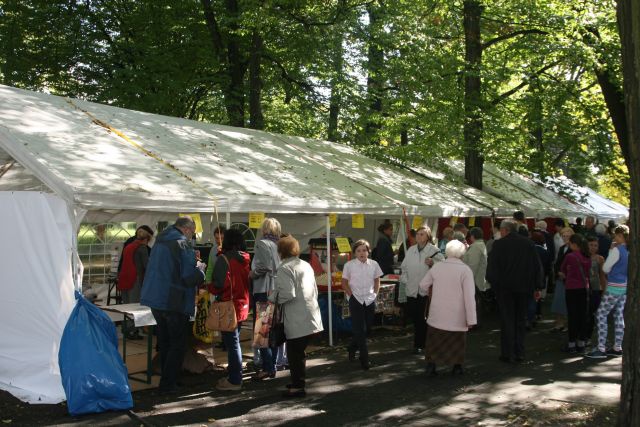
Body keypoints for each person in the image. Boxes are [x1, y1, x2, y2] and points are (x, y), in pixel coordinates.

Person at [140, 217, 205, 394]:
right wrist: (200, 271)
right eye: (192, 232)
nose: (192, 236)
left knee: (165, 342)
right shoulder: (182, 244)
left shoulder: (160, 241)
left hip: (156, 299)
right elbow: (188, 276)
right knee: (177, 343)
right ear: (186, 230)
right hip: (173, 300)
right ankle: (169, 384)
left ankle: (168, 379)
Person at [270, 235, 323, 398]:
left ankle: (298, 386)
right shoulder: (305, 264)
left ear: (280, 251)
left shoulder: (284, 268)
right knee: (298, 352)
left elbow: (288, 294)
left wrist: (272, 297)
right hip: (311, 314)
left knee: (294, 353)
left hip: (296, 317)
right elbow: (314, 289)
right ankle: (297, 382)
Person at [419, 240, 476, 376]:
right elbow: (469, 297)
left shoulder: (437, 267)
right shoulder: (465, 270)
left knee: (434, 341)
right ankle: (457, 367)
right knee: (457, 341)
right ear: (462, 253)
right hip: (457, 316)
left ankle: (431, 366)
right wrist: (472, 319)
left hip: (437, 313)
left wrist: (431, 291)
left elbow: (422, 285)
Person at [486, 219, 540, 363]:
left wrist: (496, 286)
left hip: (505, 289)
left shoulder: (499, 245)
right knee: (520, 320)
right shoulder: (528, 243)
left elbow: (491, 270)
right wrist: (537, 286)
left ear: (505, 230)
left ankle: (508, 352)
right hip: (524, 289)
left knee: (507, 320)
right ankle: (519, 352)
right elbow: (536, 266)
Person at [210, 228, 251, 391]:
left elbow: (218, 285)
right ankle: (234, 374)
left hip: (229, 305)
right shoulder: (245, 258)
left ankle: (235, 379)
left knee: (232, 343)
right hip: (242, 304)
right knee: (235, 341)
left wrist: (208, 286)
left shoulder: (224, 259)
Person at [586, 225, 629, 359]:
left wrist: (611, 251)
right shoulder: (629, 250)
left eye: (615, 235)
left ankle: (601, 348)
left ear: (620, 236)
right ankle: (617, 347)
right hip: (624, 286)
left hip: (613, 285)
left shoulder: (617, 250)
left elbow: (605, 268)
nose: (614, 237)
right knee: (618, 315)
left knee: (601, 314)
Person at [400, 226, 444, 354]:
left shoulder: (434, 251)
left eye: (422, 234)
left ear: (428, 237)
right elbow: (404, 268)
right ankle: (421, 342)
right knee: (415, 318)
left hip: (426, 291)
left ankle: (420, 344)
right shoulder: (411, 250)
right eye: (418, 234)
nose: (419, 236)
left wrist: (433, 264)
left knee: (423, 318)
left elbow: (443, 268)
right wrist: (405, 280)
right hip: (411, 290)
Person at [342, 239, 383, 370]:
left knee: (368, 329)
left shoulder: (374, 264)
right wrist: (352, 296)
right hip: (356, 299)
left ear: (368, 252)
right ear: (354, 253)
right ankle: (364, 359)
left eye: (364, 250)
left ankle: (351, 347)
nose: (362, 253)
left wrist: (375, 294)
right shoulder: (349, 265)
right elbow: (344, 283)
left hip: (369, 299)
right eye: (358, 251)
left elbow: (377, 281)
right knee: (360, 330)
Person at [251, 218, 281, 380]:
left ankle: (268, 367)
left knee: (262, 331)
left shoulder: (262, 244)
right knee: (273, 331)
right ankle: (272, 365)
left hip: (264, 289)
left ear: (264, 229)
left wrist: (252, 273)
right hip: (277, 290)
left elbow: (263, 267)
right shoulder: (280, 245)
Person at [118, 226, 153, 339]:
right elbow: (147, 266)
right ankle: (133, 331)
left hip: (124, 277)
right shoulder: (142, 248)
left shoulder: (129, 246)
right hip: (135, 279)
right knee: (135, 306)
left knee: (127, 305)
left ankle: (126, 329)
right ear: (147, 238)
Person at [560, 234, 591, 353]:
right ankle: (581, 343)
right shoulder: (587, 257)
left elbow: (562, 271)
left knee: (572, 316)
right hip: (584, 288)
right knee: (582, 315)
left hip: (571, 288)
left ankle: (571, 343)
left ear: (574, 244)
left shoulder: (570, 256)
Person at [462, 227, 488, 324]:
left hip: (474, 281)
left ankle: (474, 323)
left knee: (474, 303)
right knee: (477, 303)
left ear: (472, 236)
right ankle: (476, 322)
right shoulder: (481, 245)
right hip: (478, 280)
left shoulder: (476, 246)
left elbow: (472, 265)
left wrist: (467, 280)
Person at [550, 227, 574, 332]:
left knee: (568, 302)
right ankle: (560, 323)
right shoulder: (562, 248)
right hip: (560, 278)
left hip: (569, 279)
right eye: (563, 236)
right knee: (559, 301)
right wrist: (557, 272)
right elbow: (557, 263)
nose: (565, 238)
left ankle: (567, 324)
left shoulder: (573, 249)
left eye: (567, 236)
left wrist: (565, 273)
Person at [585, 236, 606, 344]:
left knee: (591, 313)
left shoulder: (600, 258)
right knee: (583, 312)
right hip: (583, 288)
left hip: (596, 289)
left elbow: (602, 276)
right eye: (591, 245)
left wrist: (604, 290)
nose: (593, 247)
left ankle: (588, 336)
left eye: (595, 245)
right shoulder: (582, 256)